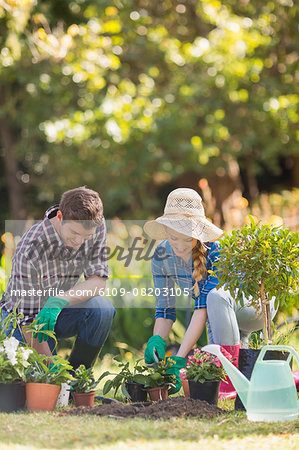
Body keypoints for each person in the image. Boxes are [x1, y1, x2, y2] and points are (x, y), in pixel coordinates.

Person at [143, 188, 277, 395]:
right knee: (236, 357)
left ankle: (228, 383)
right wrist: (157, 341)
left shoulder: (216, 251)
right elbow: (165, 309)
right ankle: (241, 378)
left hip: (255, 307)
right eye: (173, 237)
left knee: (215, 298)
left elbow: (203, 308)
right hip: (221, 312)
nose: (178, 245)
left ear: (198, 233)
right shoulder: (161, 257)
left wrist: (180, 357)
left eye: (186, 238)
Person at [0, 186, 116, 370]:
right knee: (38, 383)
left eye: (86, 237)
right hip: (21, 322)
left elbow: (98, 282)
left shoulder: (95, 225)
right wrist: (54, 373)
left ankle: (78, 378)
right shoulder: (30, 248)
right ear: (60, 217)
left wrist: (59, 301)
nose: (79, 242)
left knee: (102, 309)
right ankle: (62, 383)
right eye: (75, 234)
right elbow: (27, 322)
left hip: (58, 310)